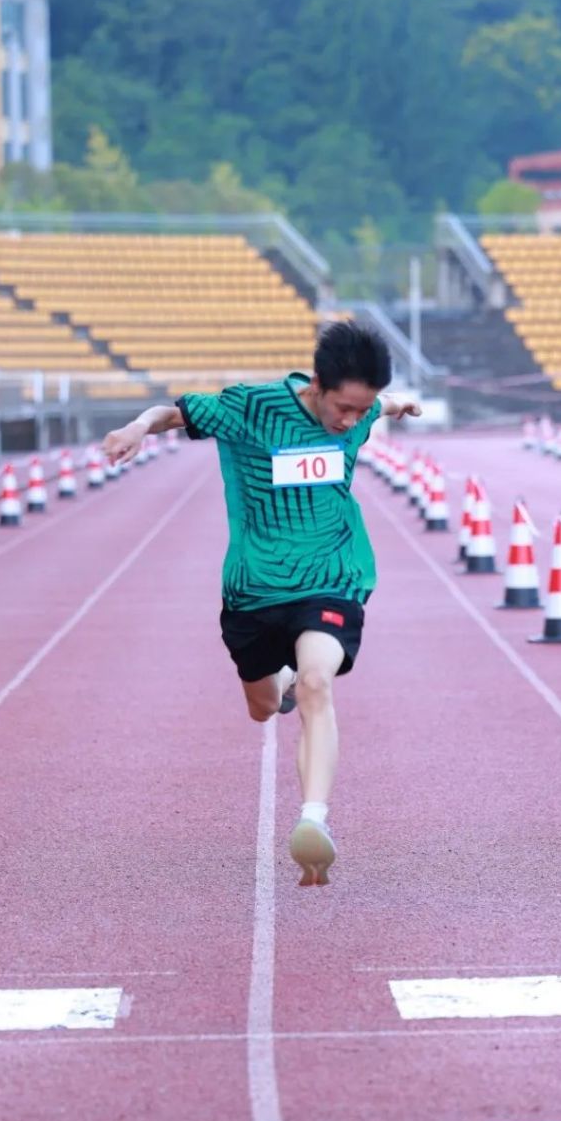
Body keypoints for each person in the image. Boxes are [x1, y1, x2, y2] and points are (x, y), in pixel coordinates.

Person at [102, 321, 422, 885]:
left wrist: (401, 404)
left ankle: (313, 821)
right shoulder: (250, 407)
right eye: (343, 407)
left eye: (361, 410)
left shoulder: (364, 412)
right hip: (253, 588)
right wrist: (137, 427)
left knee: (319, 681)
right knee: (264, 705)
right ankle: (283, 683)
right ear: (318, 383)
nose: (350, 420)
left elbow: (384, 405)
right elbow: (170, 412)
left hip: (331, 576)